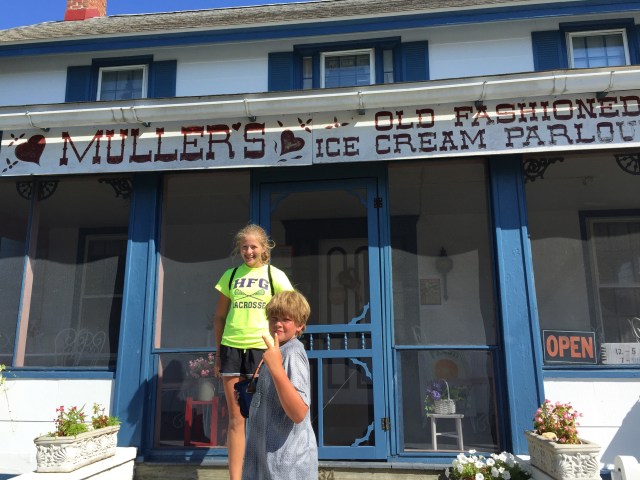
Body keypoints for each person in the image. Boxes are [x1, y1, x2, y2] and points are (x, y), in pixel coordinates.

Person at [213, 224, 293, 480]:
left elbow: (291, 311)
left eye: (253, 247)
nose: (248, 251)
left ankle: (264, 474)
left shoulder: (275, 275)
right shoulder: (230, 275)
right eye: (244, 247)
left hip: (262, 349)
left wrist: (282, 346)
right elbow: (219, 317)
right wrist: (218, 354)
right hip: (231, 347)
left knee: (263, 417)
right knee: (236, 418)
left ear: (264, 248)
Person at [242, 290, 318, 480]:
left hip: (287, 466)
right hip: (269, 462)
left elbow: (299, 412)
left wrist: (276, 368)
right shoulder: (278, 351)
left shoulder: (292, 353)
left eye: (286, 319)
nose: (277, 324)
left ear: (300, 325)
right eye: (274, 318)